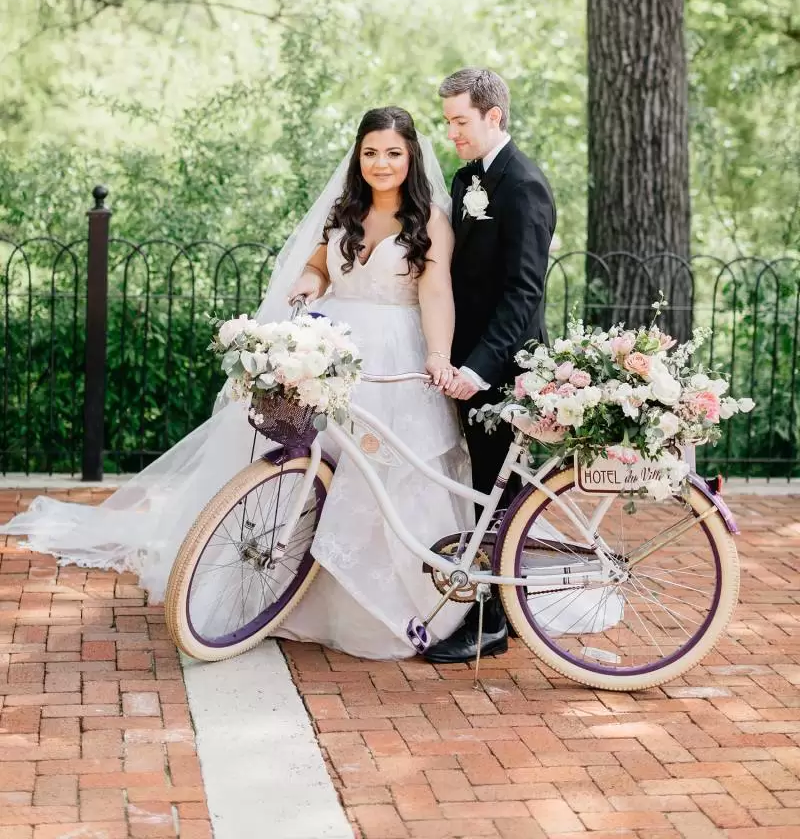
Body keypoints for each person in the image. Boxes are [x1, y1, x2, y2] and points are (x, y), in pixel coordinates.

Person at [0, 107, 472, 660]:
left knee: (381, 477)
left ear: (411, 155)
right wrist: (306, 284)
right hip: (334, 350)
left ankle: (376, 607)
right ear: (358, 156)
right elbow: (320, 268)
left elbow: (437, 292)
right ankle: (283, 592)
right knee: (306, 464)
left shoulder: (430, 218)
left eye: (393, 152)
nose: (381, 163)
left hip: (395, 357)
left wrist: (438, 357)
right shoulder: (345, 211)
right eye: (371, 152)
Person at [424, 68, 557, 663]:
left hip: (503, 369)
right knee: (478, 490)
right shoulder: (466, 178)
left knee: (495, 496)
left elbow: (524, 294)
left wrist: (478, 368)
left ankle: (494, 621)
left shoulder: (523, 185)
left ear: (493, 116)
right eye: (448, 121)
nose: (451, 132)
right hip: (465, 363)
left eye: (460, 121)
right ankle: (486, 605)